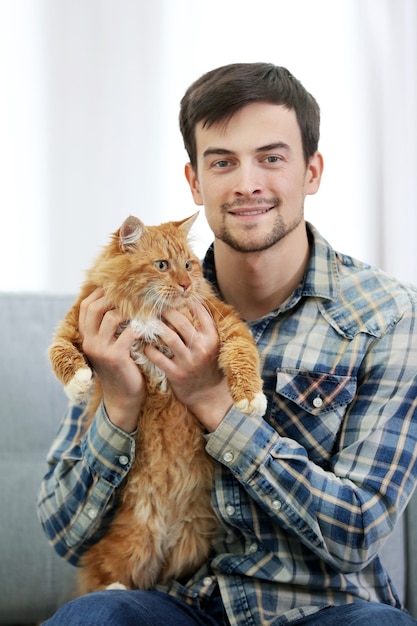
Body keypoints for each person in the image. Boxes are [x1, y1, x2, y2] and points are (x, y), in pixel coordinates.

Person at [38, 62, 417, 625]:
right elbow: (66, 534)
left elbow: (356, 532)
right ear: (194, 181)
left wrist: (214, 402)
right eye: (222, 162)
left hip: (323, 610)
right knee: (92, 618)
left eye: (271, 157)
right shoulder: (131, 309)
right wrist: (119, 404)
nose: (246, 184)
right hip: (174, 602)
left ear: (312, 171)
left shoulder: (387, 317)